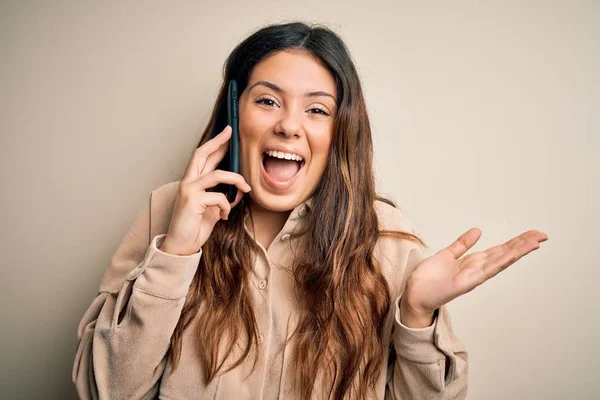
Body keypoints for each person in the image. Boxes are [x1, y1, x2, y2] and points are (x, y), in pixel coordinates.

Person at [72, 22, 548, 399]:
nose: (289, 126)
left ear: (340, 132)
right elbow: (107, 391)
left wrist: (418, 316)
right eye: (267, 101)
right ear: (234, 117)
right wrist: (175, 255)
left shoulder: (390, 240)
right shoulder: (169, 211)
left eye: (317, 110)